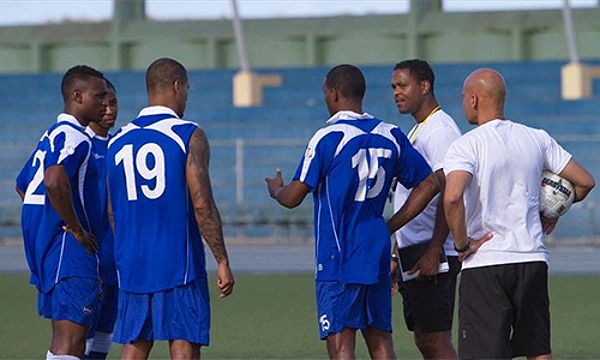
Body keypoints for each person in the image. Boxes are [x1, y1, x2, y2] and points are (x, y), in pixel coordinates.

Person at [265, 64, 440, 359]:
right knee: (380, 338)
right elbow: (430, 183)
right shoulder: (391, 134)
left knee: (341, 341)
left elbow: (294, 197)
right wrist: (390, 225)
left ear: (333, 94)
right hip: (375, 249)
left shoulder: (327, 137)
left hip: (338, 255)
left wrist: (276, 190)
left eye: (325, 93)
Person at [443, 68, 595, 359]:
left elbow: (452, 198)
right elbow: (585, 182)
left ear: (473, 100)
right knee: (538, 351)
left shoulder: (466, 145)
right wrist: (552, 213)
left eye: (464, 98)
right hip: (531, 259)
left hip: (486, 263)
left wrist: (463, 244)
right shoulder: (536, 138)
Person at [106, 57, 234, 360]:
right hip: (178, 261)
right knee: (183, 340)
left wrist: (127, 248)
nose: (187, 95)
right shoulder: (188, 134)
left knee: (135, 343)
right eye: (187, 88)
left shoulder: (117, 141)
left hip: (132, 260)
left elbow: (113, 211)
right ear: (177, 86)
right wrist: (223, 260)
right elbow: (202, 203)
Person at [16, 65, 109, 359]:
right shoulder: (75, 137)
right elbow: (54, 180)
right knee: (72, 340)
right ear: (77, 96)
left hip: (47, 247)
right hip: (67, 247)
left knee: (63, 339)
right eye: (99, 96)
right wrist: (76, 228)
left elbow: (23, 186)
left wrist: (45, 220)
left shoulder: (52, 134)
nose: (104, 102)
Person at [388, 59, 461, 359]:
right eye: (393, 87)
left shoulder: (441, 129)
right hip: (413, 248)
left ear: (424, 86)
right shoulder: (420, 129)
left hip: (433, 249)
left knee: (435, 338)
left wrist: (434, 250)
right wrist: (396, 251)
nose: (396, 92)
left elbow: (449, 190)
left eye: (402, 85)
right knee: (424, 337)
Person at [83, 79, 118, 360]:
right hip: (87, 259)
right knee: (78, 337)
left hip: (116, 260)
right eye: (102, 102)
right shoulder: (79, 143)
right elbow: (33, 186)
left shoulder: (122, 145)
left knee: (106, 333)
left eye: (113, 102)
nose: (108, 109)